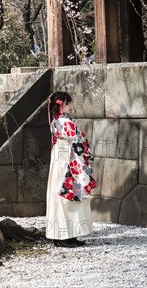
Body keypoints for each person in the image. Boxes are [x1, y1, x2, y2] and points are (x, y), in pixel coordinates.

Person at [45, 91, 97, 248]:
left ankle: (68, 234)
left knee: (62, 194)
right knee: (67, 194)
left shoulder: (56, 122)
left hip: (61, 157)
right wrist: (87, 154)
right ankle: (63, 236)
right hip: (67, 158)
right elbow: (79, 140)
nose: (70, 106)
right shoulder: (66, 123)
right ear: (61, 106)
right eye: (68, 103)